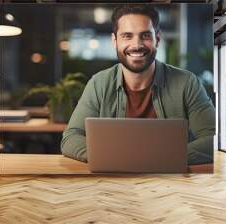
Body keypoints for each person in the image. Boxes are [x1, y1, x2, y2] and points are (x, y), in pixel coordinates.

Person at [61, 5, 215, 165]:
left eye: (145, 36)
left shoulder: (186, 82)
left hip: (171, 183)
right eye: (127, 36)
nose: (136, 44)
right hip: (112, 184)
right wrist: (110, 157)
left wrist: (159, 159)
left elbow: (213, 140)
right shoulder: (98, 84)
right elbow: (71, 137)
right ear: (115, 41)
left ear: (158, 39)